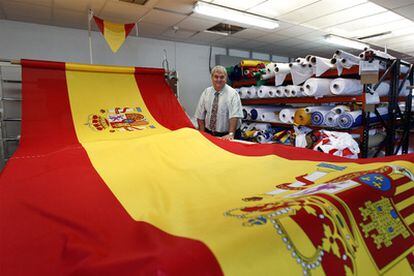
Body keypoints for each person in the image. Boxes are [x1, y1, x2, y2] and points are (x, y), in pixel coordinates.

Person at [195, 65, 243, 140]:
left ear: (226, 78)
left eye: (222, 77)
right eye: (216, 77)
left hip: (228, 134)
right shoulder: (206, 92)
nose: (219, 80)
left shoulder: (233, 94)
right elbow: (200, 115)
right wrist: (202, 134)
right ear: (212, 78)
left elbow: (234, 116)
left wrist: (231, 134)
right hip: (209, 133)